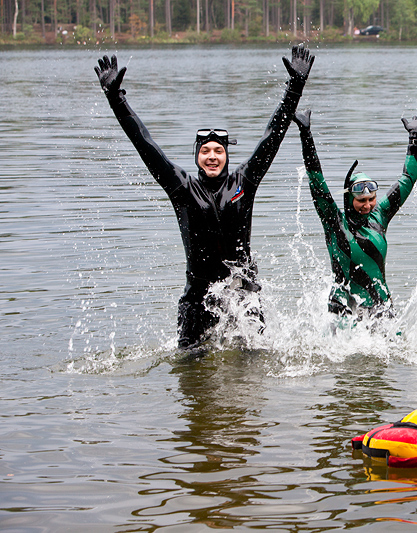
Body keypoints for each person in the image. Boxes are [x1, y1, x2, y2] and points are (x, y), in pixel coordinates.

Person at [94, 46, 315, 349]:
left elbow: (272, 136)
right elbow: (144, 143)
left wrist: (295, 89)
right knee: (190, 371)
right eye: (205, 151)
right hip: (198, 300)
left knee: (252, 372)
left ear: (226, 155)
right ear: (197, 157)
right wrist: (116, 100)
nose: (212, 156)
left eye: (218, 151)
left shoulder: (244, 182)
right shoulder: (181, 188)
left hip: (242, 294)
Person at [292, 109, 417, 321]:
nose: (367, 205)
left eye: (371, 199)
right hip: (344, 309)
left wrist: (415, 137)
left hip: (381, 306)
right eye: (361, 201)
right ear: (349, 200)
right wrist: (305, 134)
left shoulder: (379, 215)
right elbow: (317, 182)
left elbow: (407, 179)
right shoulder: (335, 222)